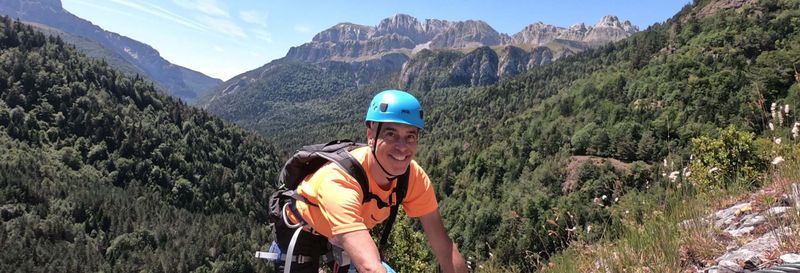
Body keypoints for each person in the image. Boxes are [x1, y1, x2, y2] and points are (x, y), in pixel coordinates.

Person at [273, 89, 468, 273]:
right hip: (302, 238)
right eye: (391, 134)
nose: (402, 147)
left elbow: (444, 246)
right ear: (371, 136)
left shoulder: (412, 177)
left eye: (410, 137)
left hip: (341, 239)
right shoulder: (340, 181)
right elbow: (370, 268)